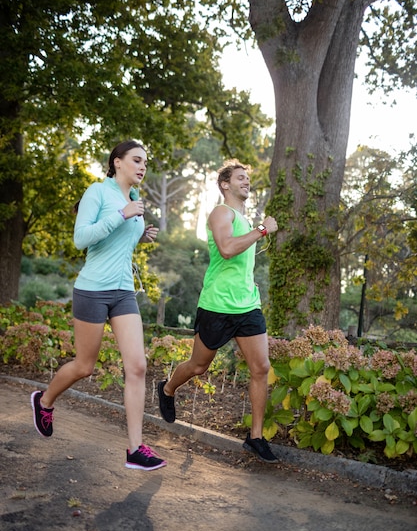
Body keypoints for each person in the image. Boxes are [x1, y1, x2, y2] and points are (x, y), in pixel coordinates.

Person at [31, 140, 166, 471]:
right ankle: (44, 401)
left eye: (145, 162)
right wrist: (122, 215)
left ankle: (135, 449)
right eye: (136, 160)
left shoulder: (132, 200)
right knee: (84, 366)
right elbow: (82, 239)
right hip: (92, 290)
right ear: (117, 162)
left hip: (122, 292)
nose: (142, 167)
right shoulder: (98, 193)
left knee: (137, 366)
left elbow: (118, 242)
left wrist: (140, 233)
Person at [157, 160, 279, 463]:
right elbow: (226, 248)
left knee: (260, 368)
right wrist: (262, 229)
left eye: (248, 178)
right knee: (198, 366)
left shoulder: (244, 218)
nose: (246, 182)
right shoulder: (221, 213)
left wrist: (256, 228)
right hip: (217, 305)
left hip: (248, 304)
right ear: (225, 184)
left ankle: (255, 437)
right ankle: (168, 388)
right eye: (241, 178)